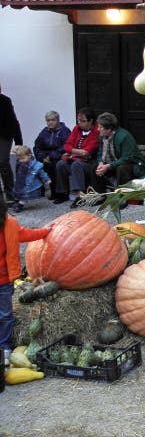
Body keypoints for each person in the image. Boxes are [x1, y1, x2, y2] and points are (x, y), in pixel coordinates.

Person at [0, 196, 50, 367]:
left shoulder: (10, 225)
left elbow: (25, 234)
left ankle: (4, 348)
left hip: (3, 280)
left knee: (6, 316)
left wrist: (44, 231)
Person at [88, 112, 145, 198]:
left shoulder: (124, 136)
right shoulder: (102, 136)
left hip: (134, 165)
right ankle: (99, 196)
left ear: (109, 128)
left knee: (122, 168)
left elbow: (127, 158)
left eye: (100, 127)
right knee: (95, 167)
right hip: (113, 164)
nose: (97, 129)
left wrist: (108, 166)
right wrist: (100, 163)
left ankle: (122, 197)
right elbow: (100, 152)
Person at [54, 107, 100, 204]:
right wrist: (77, 152)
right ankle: (62, 193)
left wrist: (72, 152)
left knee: (76, 165)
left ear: (91, 121)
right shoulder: (77, 129)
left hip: (89, 163)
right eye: (78, 120)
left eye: (83, 121)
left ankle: (80, 196)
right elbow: (67, 145)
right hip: (75, 159)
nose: (80, 123)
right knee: (61, 164)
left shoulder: (96, 130)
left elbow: (88, 151)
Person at [33, 111, 71, 195]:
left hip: (58, 156)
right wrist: (42, 157)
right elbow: (37, 147)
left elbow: (66, 146)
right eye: (48, 120)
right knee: (34, 165)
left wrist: (51, 156)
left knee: (53, 166)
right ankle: (38, 190)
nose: (50, 122)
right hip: (46, 156)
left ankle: (57, 192)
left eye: (53, 120)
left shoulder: (65, 131)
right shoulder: (44, 132)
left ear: (58, 120)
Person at [9, 145, 51, 213]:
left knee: (24, 194)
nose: (21, 160)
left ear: (29, 155)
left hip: (30, 184)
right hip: (21, 181)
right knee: (18, 192)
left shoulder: (36, 165)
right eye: (19, 159)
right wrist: (17, 150)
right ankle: (18, 201)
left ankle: (20, 204)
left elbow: (42, 173)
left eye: (23, 158)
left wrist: (47, 179)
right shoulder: (21, 162)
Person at [0, 81, 23, 204]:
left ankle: (10, 193)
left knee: (3, 161)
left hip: (4, 134)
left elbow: (13, 121)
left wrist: (18, 141)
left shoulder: (5, 101)